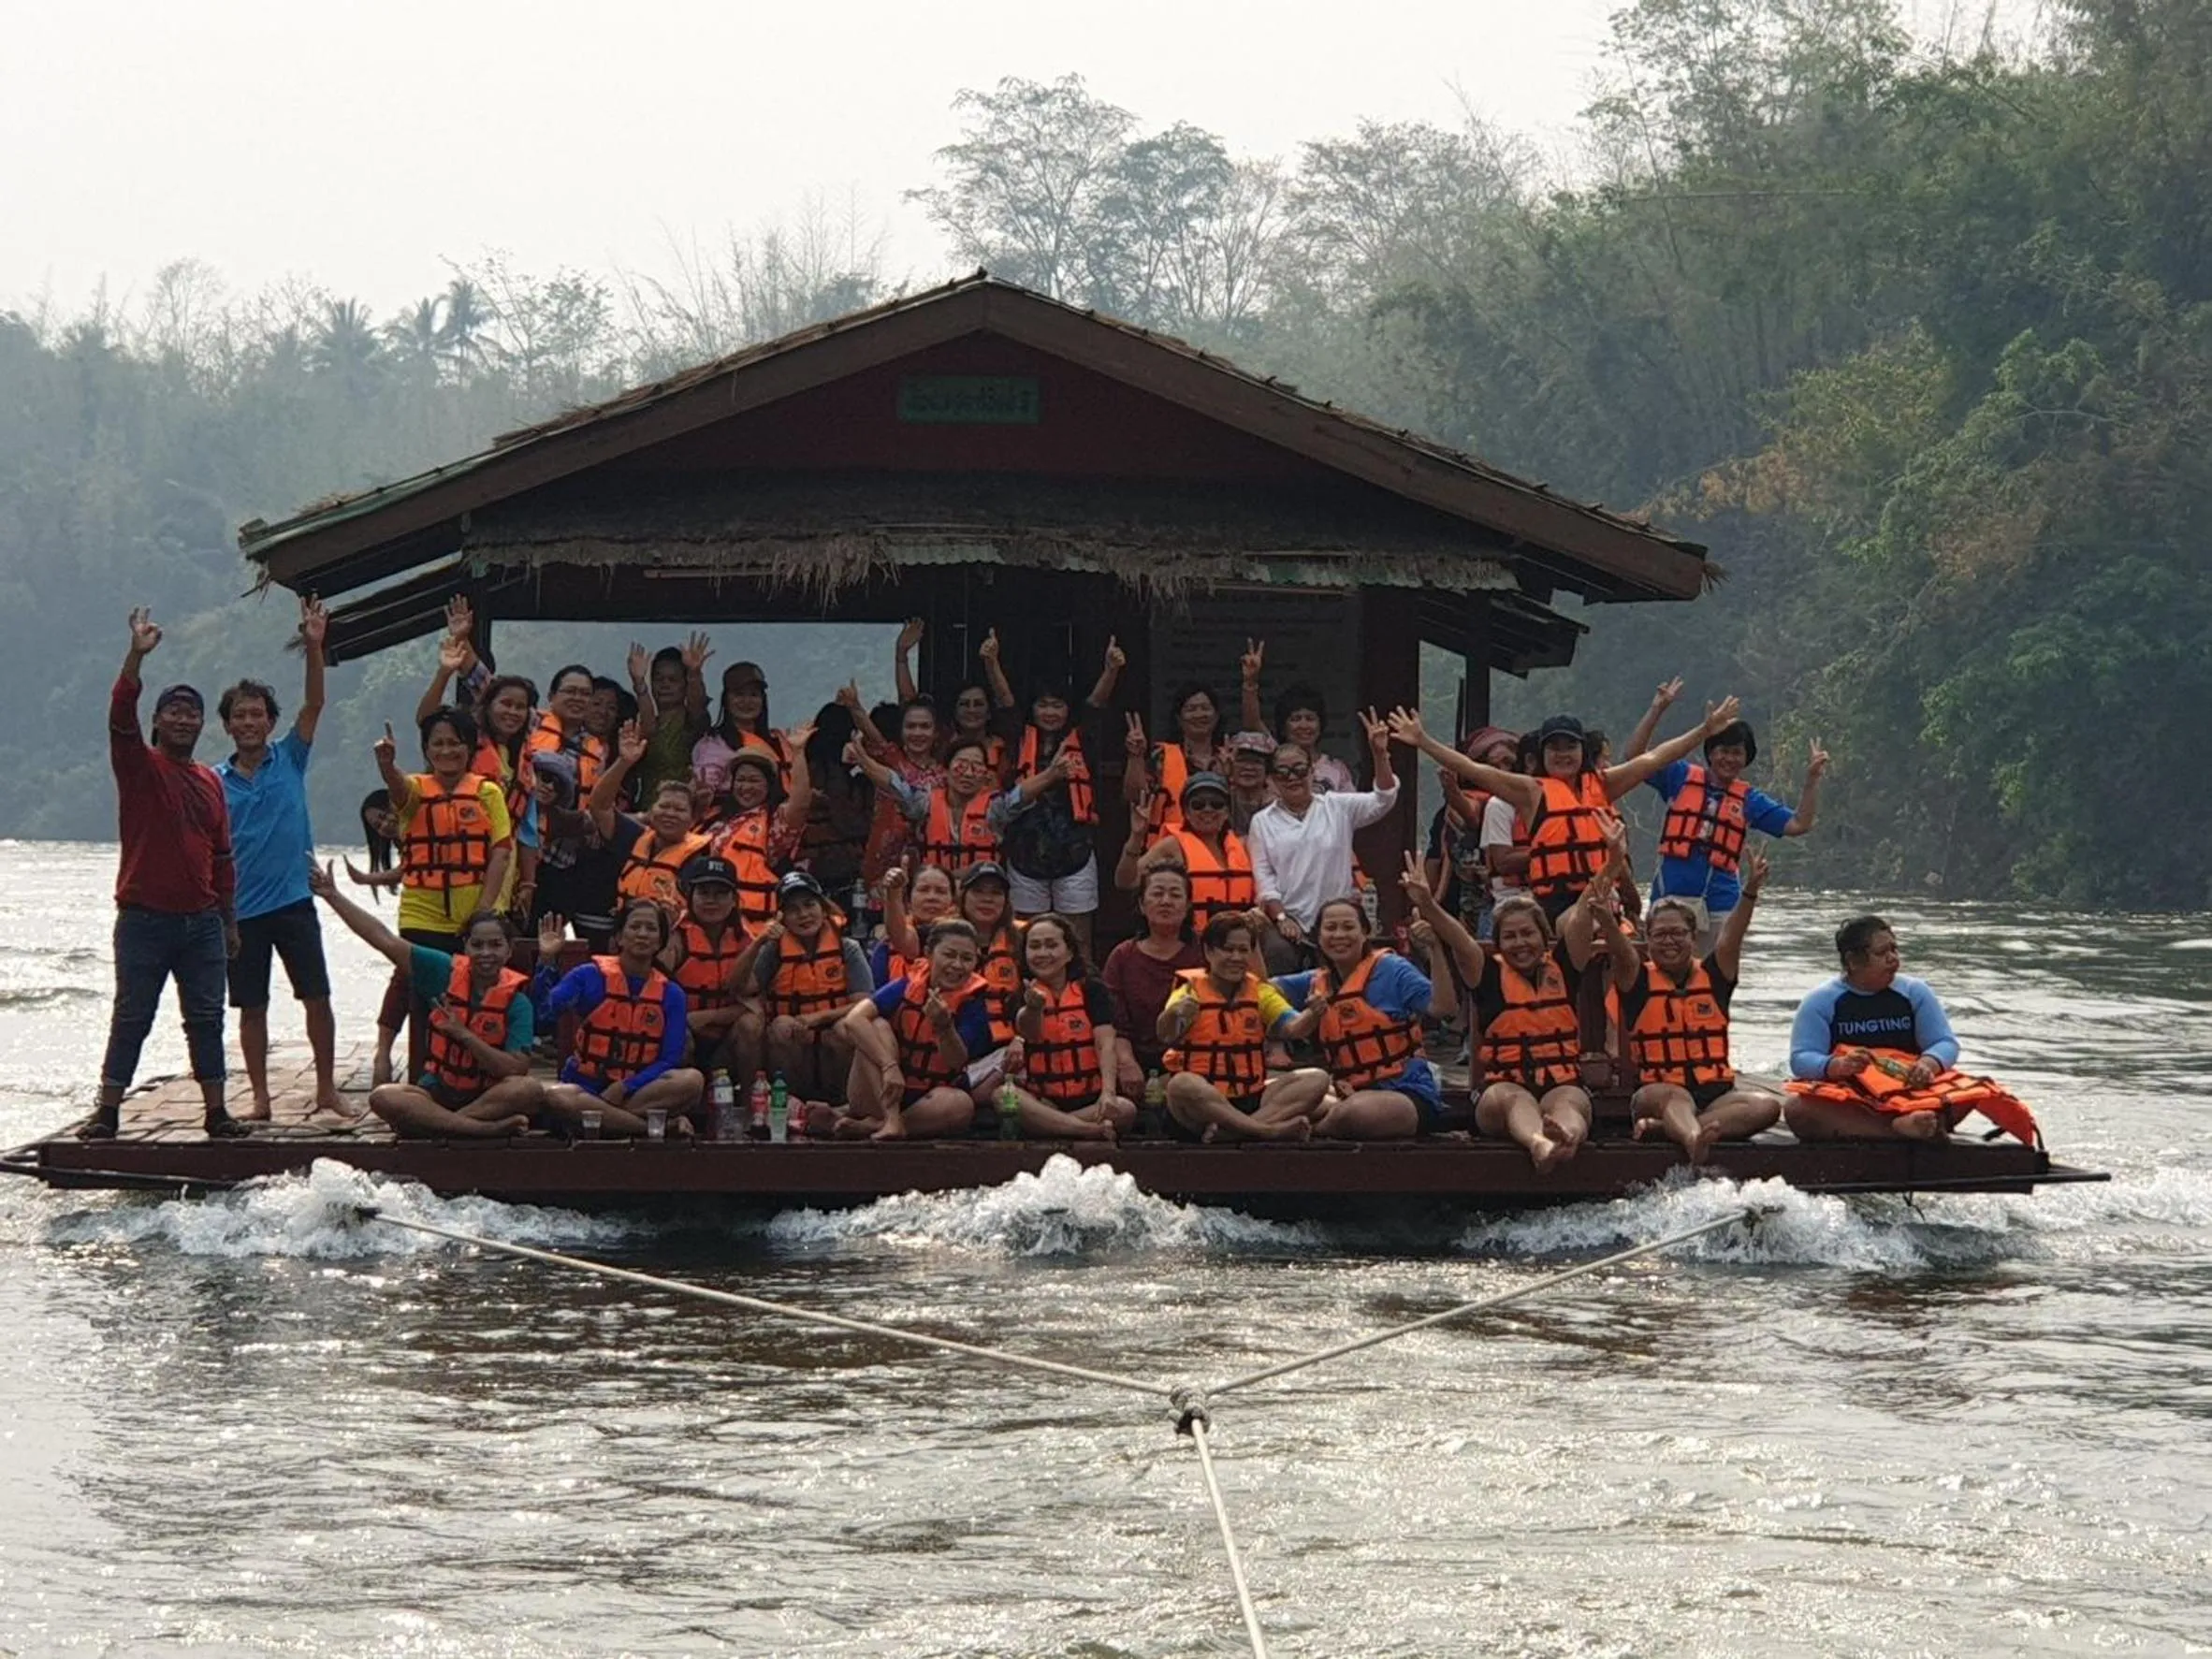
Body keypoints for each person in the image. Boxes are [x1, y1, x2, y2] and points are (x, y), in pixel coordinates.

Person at [86, 607, 245, 1140]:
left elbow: (222, 858)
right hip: (144, 918)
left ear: (203, 724)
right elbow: (119, 714)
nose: (183, 720)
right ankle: (106, 1113)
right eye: (173, 713)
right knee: (132, 1015)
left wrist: (229, 922)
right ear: (157, 723)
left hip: (200, 921)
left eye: (191, 713)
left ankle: (218, 1113)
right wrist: (137, 656)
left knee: (206, 1017)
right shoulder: (139, 766)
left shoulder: (209, 781)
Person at [1388, 698, 1739, 919]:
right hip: (1554, 904)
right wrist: (1424, 741)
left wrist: (1704, 730)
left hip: (1603, 900)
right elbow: (1476, 770)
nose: (1562, 754)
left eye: (1569, 746)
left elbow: (1655, 757)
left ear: (1581, 751)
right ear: (1541, 755)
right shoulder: (1531, 791)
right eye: (1553, 747)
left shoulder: (1603, 783)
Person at [1414, 826, 1625, 1172]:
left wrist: (1612, 864)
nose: (1519, 943)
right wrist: (1426, 903)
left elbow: (1586, 908)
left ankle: (1566, 1135)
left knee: (1570, 1101)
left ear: (1544, 938)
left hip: (1559, 1082)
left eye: (1528, 934)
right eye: (1509, 937)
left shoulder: (1566, 966)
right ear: (1497, 944)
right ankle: (1540, 1143)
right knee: (1517, 1099)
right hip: (1501, 1090)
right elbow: (1457, 937)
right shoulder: (1487, 975)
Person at [215, 593, 341, 1120]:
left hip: (293, 901)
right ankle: (261, 1098)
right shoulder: (213, 782)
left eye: (257, 714)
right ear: (227, 725)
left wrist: (315, 646)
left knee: (317, 997)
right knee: (251, 1008)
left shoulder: (290, 757)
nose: (249, 722)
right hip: (241, 912)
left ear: (270, 722)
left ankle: (328, 1089)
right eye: (239, 715)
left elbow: (314, 705)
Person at [308, 863, 544, 1136]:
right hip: (437, 1093)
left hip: (487, 1096)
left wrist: (463, 1034)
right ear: (465, 947)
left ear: (509, 950)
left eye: (495, 945)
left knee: (528, 1090)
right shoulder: (442, 971)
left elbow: (515, 1068)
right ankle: (479, 1130)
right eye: (477, 945)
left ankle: (447, 1125)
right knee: (383, 1097)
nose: (485, 953)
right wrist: (333, 895)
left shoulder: (518, 1002)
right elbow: (382, 938)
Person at [1587, 851, 1784, 1162]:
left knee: (1767, 1107)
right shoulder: (1636, 980)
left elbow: (1732, 936)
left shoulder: (1715, 977)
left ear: (1694, 938)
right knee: (1674, 1096)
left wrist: (1750, 891)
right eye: (1660, 934)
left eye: (1678, 933)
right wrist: (1605, 920)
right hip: (1657, 1093)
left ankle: (1665, 1131)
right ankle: (1694, 1140)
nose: (1669, 941)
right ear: (1648, 941)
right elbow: (1621, 951)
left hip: (1715, 1097)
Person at [1784, 916, 2039, 1143]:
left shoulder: (1914, 992)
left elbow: (1944, 1042)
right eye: (1882, 952)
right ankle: (1898, 1131)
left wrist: (1928, 1065)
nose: (1893, 958)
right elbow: (1801, 1058)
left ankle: (1915, 1124)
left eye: (1895, 949)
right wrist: (1837, 1066)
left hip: (1912, 1095)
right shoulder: (1821, 1001)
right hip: (1854, 1100)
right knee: (1798, 1108)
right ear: (1853, 961)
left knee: (1973, 1091)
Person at [1623, 677, 1829, 946]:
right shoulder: (1680, 777)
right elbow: (1635, 757)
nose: (1729, 759)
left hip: (1720, 904)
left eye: (1737, 753)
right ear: (1710, 753)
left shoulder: (1749, 800)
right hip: (1671, 897)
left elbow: (1799, 823)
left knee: (1713, 982)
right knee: (1665, 978)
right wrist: (1657, 709)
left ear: (1746, 759)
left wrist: (1812, 780)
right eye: (1723, 751)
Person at [372, 706, 515, 1085]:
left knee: (473, 999)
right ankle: (421, 1081)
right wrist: (388, 766)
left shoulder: (488, 792)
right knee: (424, 1002)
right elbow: (399, 789)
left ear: (469, 748)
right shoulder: (416, 790)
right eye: (438, 743)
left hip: (473, 915)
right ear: (426, 749)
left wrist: (485, 908)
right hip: (423, 914)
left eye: (455, 743)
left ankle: (469, 1079)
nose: (447, 750)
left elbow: (500, 851)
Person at [986, 635, 1125, 956]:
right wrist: (992, 663)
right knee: (1025, 939)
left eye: (1058, 705)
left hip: (1074, 852)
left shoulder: (1082, 739)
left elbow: (1096, 705)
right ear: (1033, 708)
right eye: (1043, 704)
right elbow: (1005, 705)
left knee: (1078, 940)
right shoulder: (1020, 738)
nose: (1050, 712)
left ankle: (1080, 997)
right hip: (1025, 853)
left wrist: (1111, 670)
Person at [535, 899, 706, 1136]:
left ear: (660, 941)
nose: (642, 935)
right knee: (556, 1097)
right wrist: (546, 961)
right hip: (586, 1088)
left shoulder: (672, 994)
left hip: (637, 1091)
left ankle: (605, 1122)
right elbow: (544, 1014)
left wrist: (625, 1087)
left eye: (651, 929)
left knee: (692, 1081)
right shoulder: (588, 976)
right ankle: (652, 1129)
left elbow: (670, 1059)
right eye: (635, 927)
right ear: (619, 937)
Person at [1274, 895, 1439, 1140]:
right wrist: (1295, 1019)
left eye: (1349, 927)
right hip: (1347, 1091)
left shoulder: (1393, 969)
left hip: (1404, 1093)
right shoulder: (1316, 981)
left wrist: (1436, 949)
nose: (1339, 935)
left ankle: (1299, 1130)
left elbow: (1443, 1007)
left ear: (1365, 933)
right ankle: (1256, 1127)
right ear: (1318, 937)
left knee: (1354, 1113)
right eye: (1330, 928)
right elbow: (1259, 990)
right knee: (1278, 1093)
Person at [1157, 912, 1329, 1142]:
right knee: (1180, 1083)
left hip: (1250, 1096)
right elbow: (1165, 1034)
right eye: (1228, 950)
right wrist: (1175, 1014)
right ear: (1209, 952)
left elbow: (1293, 1028)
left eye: (1243, 950)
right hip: (1203, 1104)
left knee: (1317, 1079)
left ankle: (1235, 1132)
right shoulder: (1189, 993)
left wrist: (1313, 1014)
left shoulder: (1259, 992)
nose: (1236, 957)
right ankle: (1265, 1131)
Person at [831, 918, 996, 1140]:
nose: (957, 965)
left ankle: (880, 1126)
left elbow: (957, 1061)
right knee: (876, 1026)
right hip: (881, 1088)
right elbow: (853, 1020)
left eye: (966, 958)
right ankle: (888, 1119)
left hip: (931, 1101)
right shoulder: (907, 984)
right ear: (928, 953)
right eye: (949, 955)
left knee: (961, 1105)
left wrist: (944, 1026)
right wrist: (889, 1066)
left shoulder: (975, 1001)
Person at [1248, 710, 1399, 947]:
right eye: (1283, 772)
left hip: (1336, 919)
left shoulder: (1337, 806)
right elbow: (1265, 879)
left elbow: (1384, 799)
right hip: (1289, 922)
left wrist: (1380, 754)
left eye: (1299, 770)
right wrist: (1281, 918)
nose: (1292, 778)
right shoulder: (1262, 821)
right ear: (1272, 779)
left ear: (1312, 772)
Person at [727, 872, 872, 1107]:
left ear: (823, 908)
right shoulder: (774, 950)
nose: (804, 915)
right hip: (793, 1044)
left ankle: (845, 1105)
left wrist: (815, 1018)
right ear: (783, 918)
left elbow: (864, 1003)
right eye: (793, 909)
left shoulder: (848, 948)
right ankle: (787, 1104)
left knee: (847, 1029)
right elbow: (739, 987)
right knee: (782, 1026)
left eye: (809, 904)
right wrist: (759, 942)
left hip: (829, 1039)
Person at [998, 912, 1135, 1141]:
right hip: (1044, 1099)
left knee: (1125, 1109)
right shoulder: (1019, 995)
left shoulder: (1092, 990)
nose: (1043, 953)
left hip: (1089, 1100)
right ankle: (1086, 1130)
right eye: (1035, 946)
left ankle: (1053, 1126)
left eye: (1052, 945)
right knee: (1002, 1096)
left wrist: (1108, 1093)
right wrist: (1033, 1007)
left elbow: (1106, 1043)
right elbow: (1028, 1032)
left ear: (1069, 952)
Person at [587, 720, 720, 916]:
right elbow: (600, 806)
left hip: (672, 939)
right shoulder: (634, 837)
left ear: (692, 819)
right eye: (664, 806)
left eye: (679, 809)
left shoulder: (700, 859)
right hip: (628, 934)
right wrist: (624, 762)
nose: (670, 813)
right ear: (651, 812)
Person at [847, 733, 1024, 879]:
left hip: (980, 891)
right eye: (961, 766)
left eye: (976, 767)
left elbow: (1024, 793)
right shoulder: (924, 803)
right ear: (945, 770)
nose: (968, 774)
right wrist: (863, 760)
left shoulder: (997, 806)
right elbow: (894, 784)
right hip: (935, 889)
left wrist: (1052, 772)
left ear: (985, 774)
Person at [1102, 863, 1206, 1098]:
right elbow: (1114, 1023)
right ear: (1141, 904)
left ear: (1188, 904)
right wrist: (1127, 1063)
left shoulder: (1206, 952)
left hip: (1195, 1064)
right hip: (1136, 1062)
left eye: (1175, 894)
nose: (1166, 901)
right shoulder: (1122, 956)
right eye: (1157, 894)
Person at [1113, 771, 1255, 935]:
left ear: (1226, 812)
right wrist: (1137, 836)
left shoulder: (1243, 846)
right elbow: (1125, 881)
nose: (1207, 810)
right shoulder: (1172, 846)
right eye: (1198, 804)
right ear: (1186, 812)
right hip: (1190, 940)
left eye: (1216, 804)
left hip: (1237, 941)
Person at [706, 742, 816, 930]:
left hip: (755, 927)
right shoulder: (717, 818)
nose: (746, 787)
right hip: (713, 919)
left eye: (754, 780)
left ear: (769, 785)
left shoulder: (773, 821)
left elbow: (800, 804)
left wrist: (798, 753)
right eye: (740, 780)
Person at [662, 854, 751, 1070]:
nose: (711, 901)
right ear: (690, 897)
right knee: (677, 1034)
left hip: (724, 1036)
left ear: (734, 900)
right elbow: (654, 996)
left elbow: (754, 1007)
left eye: (721, 894)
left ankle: (751, 1099)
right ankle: (684, 1098)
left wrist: (709, 1017)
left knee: (752, 1026)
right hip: (684, 1030)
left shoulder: (745, 940)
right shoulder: (675, 936)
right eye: (704, 893)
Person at [1236, 639, 1356, 793]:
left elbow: (1352, 812)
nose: (1303, 725)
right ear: (1283, 726)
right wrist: (1250, 682)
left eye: (1310, 718)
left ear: (1321, 725)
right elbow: (1252, 723)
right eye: (1295, 719)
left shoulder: (1336, 769)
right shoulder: (1273, 757)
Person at [1127, 681, 1229, 836]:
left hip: (1219, 851)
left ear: (1216, 716)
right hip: (1169, 852)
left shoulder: (1229, 757)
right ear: (1179, 718)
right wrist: (1136, 756)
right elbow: (1136, 796)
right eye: (1191, 709)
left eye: (1205, 708)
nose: (1199, 714)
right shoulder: (1162, 756)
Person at [626, 634, 713, 800]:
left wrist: (694, 673)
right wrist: (639, 683)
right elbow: (648, 726)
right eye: (659, 679)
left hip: (683, 814)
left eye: (673, 680)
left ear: (684, 683)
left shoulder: (690, 721)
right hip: (647, 813)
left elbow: (697, 703)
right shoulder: (645, 726)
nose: (665, 685)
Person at [691, 660, 792, 798]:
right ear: (726, 700)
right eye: (739, 694)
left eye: (753, 695)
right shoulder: (713, 744)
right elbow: (705, 789)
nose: (747, 701)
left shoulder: (780, 740)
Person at [958, 861, 1024, 1053]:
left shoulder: (1023, 939)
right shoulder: (943, 936)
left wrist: (1020, 1039)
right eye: (978, 891)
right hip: (955, 1043)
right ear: (963, 896)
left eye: (996, 893)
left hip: (1010, 1047)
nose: (987, 899)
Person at [529, 663, 610, 795]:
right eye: (570, 691)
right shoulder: (529, 723)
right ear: (551, 696)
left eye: (585, 694)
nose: (577, 698)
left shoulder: (597, 750)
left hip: (567, 814)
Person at [875, 863, 957, 987]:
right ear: (908, 901)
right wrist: (893, 892)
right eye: (923, 890)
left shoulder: (963, 935)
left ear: (952, 901)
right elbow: (901, 937)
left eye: (941, 891)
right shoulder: (888, 942)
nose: (931, 897)